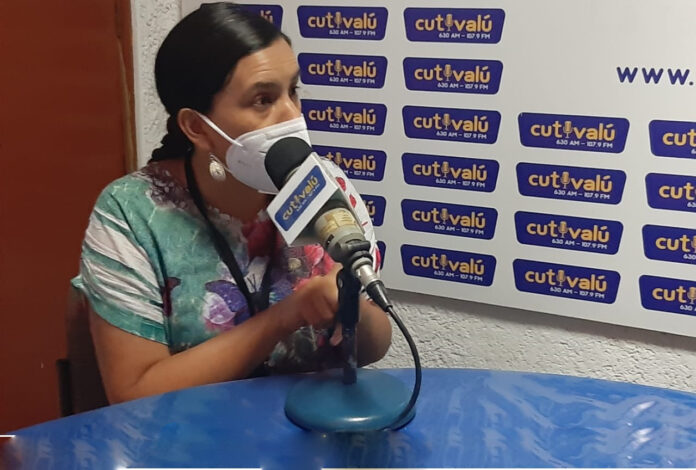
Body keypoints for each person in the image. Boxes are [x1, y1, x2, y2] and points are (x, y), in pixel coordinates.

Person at [71, 2, 391, 404]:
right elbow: (134, 394)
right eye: (263, 99)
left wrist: (352, 305)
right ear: (196, 127)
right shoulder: (130, 213)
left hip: (316, 430)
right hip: (191, 436)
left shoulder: (325, 183)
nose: (292, 116)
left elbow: (376, 346)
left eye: (293, 91)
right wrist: (286, 316)